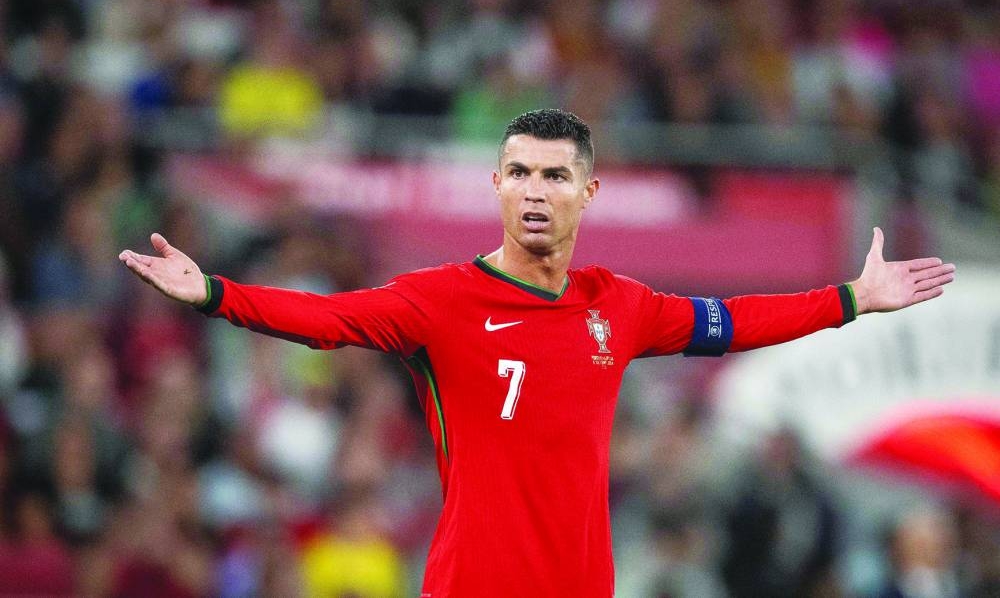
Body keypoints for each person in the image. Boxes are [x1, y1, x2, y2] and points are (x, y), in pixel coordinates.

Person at [119, 109, 956, 597]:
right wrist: (218, 294)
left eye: (554, 176)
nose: (532, 191)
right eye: (517, 172)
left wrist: (850, 299)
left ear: (587, 192)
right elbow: (329, 318)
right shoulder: (439, 301)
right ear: (495, 185)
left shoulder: (618, 307)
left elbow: (732, 322)